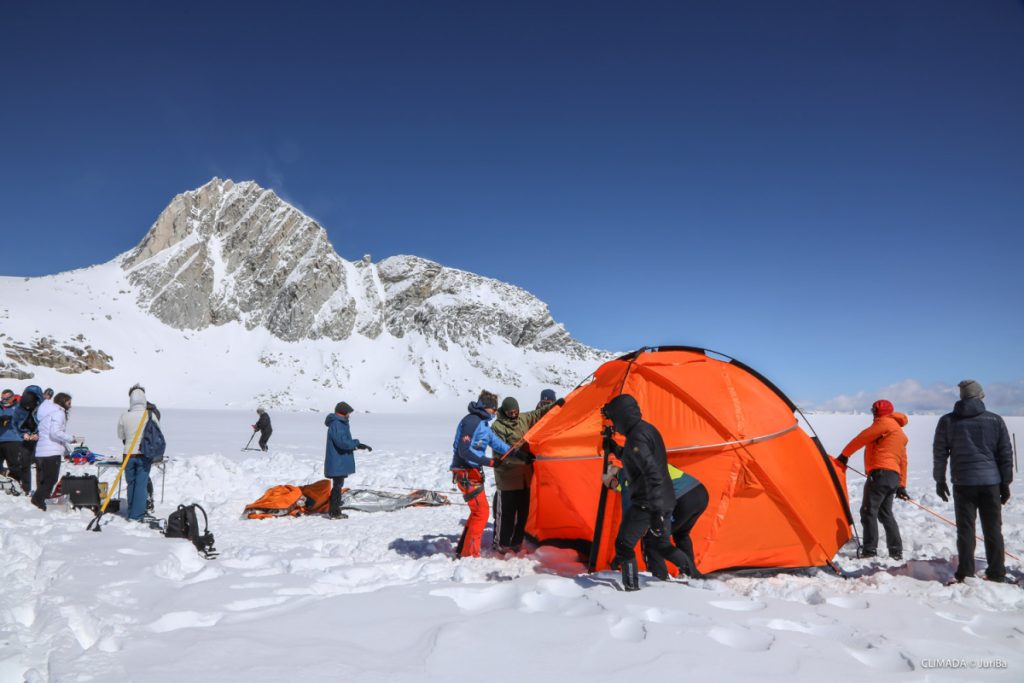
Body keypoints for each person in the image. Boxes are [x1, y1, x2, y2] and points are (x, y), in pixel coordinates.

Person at [601, 394, 693, 591]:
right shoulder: (645, 429)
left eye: (615, 420)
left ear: (622, 417)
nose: (615, 425)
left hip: (649, 502)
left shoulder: (636, 437)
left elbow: (652, 473)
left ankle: (632, 588)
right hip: (665, 498)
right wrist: (616, 449)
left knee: (624, 545)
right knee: (662, 545)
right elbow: (636, 457)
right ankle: (695, 577)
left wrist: (656, 512)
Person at [933, 380, 1013, 583]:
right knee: (993, 529)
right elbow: (1005, 454)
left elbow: (940, 453)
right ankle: (996, 573)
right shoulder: (995, 420)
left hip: (963, 483)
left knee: (966, 529)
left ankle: (965, 572)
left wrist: (939, 479)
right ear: (980, 396)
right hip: (991, 483)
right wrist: (1005, 483)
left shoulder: (947, 421)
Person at [836, 399, 910, 560]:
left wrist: (844, 455)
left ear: (878, 412)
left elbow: (862, 438)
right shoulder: (898, 432)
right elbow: (903, 461)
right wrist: (901, 485)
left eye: (873, 411)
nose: (872, 414)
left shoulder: (884, 424)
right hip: (893, 477)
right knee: (885, 514)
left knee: (868, 511)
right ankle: (896, 551)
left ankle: (869, 551)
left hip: (881, 474)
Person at [490, 395, 563, 552]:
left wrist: (556, 405)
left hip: (525, 478)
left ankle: (516, 542)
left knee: (523, 514)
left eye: (516, 411)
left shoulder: (523, 418)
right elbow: (500, 456)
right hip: (507, 480)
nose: (514, 414)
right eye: (511, 412)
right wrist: (522, 459)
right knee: (506, 515)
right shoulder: (497, 427)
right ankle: (501, 543)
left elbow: (538, 414)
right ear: (504, 411)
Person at [450, 390, 514, 558]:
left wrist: (515, 452)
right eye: (494, 409)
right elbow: (464, 451)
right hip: (465, 472)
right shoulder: (472, 421)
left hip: (473, 473)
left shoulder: (483, 424)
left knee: (477, 512)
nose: (495, 412)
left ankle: (463, 550)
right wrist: (490, 462)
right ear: (488, 407)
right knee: (481, 513)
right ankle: (470, 555)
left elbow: (495, 442)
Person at [118, 386, 160, 521]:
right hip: (144, 454)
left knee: (131, 483)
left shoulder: (124, 416)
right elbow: (157, 433)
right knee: (141, 484)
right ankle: (137, 515)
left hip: (128, 454)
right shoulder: (150, 415)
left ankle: (131, 511)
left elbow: (120, 435)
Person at [324, 402, 372, 519]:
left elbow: (344, 441)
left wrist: (358, 445)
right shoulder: (337, 424)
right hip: (337, 460)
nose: (349, 415)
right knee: (337, 485)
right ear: (343, 413)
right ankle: (334, 512)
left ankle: (335, 508)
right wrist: (357, 444)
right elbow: (342, 443)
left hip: (339, 459)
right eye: (349, 413)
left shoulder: (340, 422)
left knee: (338, 484)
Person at [32, 392, 78, 510]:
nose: (70, 406)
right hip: (51, 452)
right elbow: (55, 433)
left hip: (41, 451)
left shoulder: (48, 414)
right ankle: (38, 499)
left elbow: (53, 435)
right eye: (69, 402)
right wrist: (71, 438)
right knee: (51, 479)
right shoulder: (59, 413)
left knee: (44, 479)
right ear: (63, 402)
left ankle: (42, 499)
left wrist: (66, 452)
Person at [10, 385, 43, 494]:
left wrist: (38, 434)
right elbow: (14, 424)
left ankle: (41, 490)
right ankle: (26, 488)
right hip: (26, 440)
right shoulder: (19, 408)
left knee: (40, 465)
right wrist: (23, 434)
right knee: (25, 464)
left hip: (40, 441)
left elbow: (45, 424)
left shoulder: (42, 408)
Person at [0, 389, 20, 478]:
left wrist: (11, 419)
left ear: (12, 397)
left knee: (14, 465)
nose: (4, 401)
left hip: (13, 440)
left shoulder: (18, 408)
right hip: (0, 439)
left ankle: (18, 485)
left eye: (6, 399)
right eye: (2, 399)